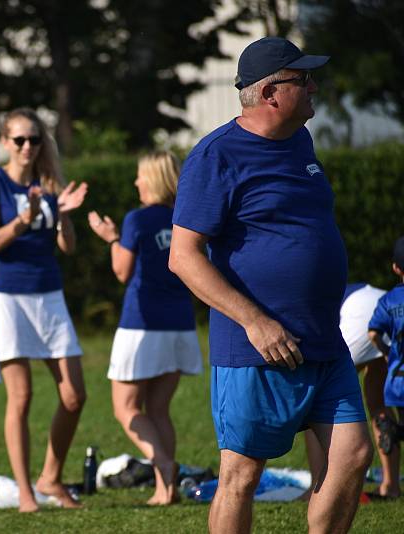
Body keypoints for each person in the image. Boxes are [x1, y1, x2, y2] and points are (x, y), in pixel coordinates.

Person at [167, 37, 372, 533]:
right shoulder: (215, 155)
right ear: (271, 93)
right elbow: (183, 257)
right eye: (304, 79)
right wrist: (255, 322)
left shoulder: (301, 141)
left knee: (355, 454)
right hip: (259, 347)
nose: (314, 85)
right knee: (241, 475)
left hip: (324, 338)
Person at [0, 108, 88, 512]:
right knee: (19, 397)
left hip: (48, 294)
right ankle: (26, 494)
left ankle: (50, 477)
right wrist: (22, 220)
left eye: (34, 139)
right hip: (6, 294)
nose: (27, 147)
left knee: (75, 396)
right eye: (19, 140)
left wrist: (66, 218)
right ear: (5, 142)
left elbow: (67, 247)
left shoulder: (49, 183)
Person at [88, 151, 202, 506]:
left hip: (142, 325)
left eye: (140, 176)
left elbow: (122, 272)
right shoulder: (186, 218)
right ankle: (164, 490)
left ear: (152, 178)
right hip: (180, 325)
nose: (136, 182)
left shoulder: (137, 220)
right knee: (158, 410)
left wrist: (111, 239)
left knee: (126, 409)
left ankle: (165, 465)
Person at [302, 282, 398, 500]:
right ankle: (390, 486)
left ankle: (317, 487)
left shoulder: (307, 293)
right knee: (378, 402)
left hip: (361, 317)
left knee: (315, 403)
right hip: (389, 307)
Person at [367, 237, 404, 492]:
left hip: (399, 378)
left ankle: (392, 429)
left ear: (396, 268)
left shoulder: (389, 300)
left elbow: (372, 333)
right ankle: (395, 429)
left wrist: (388, 353)